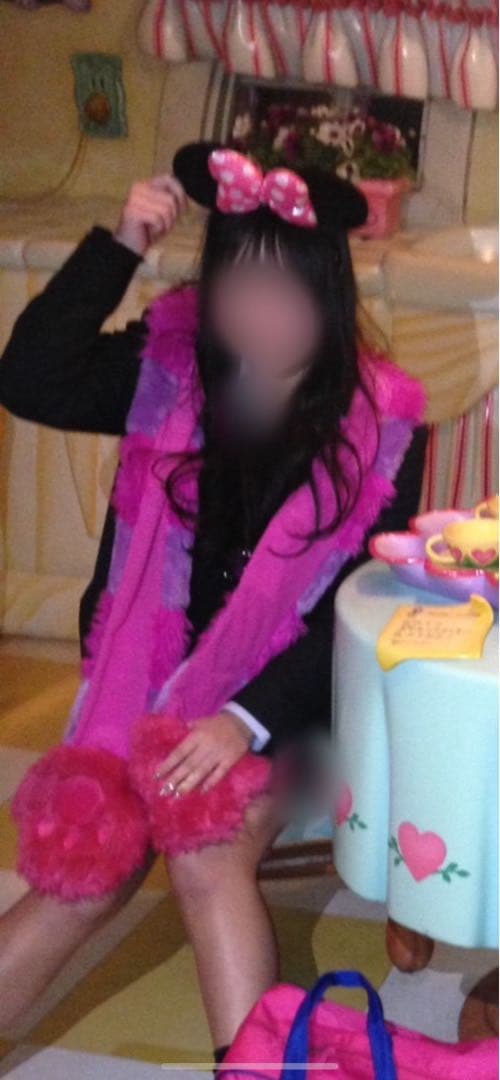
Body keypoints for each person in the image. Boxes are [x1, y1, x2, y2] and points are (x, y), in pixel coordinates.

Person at [0, 143, 427, 1062]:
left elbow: (349, 616)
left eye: (288, 290)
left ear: (329, 293)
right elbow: (28, 375)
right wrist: (121, 244)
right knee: (87, 870)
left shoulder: (383, 427)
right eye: (242, 285)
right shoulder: (169, 371)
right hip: (144, 696)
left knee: (206, 847)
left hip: (292, 708)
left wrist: (243, 719)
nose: (261, 314)